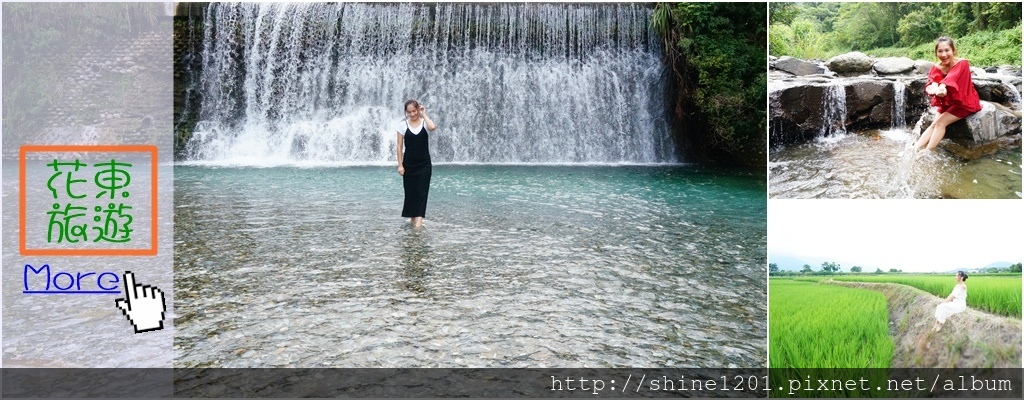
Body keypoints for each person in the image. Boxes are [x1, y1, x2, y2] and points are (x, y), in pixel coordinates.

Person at [915, 36, 982, 150]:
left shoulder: (962, 63)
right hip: (949, 103)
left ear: (953, 51)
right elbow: (933, 81)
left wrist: (942, 86)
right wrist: (933, 87)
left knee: (941, 123)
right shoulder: (936, 67)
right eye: (940, 51)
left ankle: (927, 152)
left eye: (947, 50)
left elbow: (952, 77)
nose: (944, 54)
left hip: (965, 102)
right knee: (934, 124)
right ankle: (915, 148)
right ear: (936, 53)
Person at [396, 99, 437, 229]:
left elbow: (433, 127)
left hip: (424, 164)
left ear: (418, 109)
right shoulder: (402, 125)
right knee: (411, 193)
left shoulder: (425, 123)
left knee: (422, 193)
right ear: (406, 112)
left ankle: (418, 224)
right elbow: (399, 146)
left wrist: (424, 114)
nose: (413, 114)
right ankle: (413, 220)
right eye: (409, 112)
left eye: (414, 111)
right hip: (409, 165)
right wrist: (400, 165)